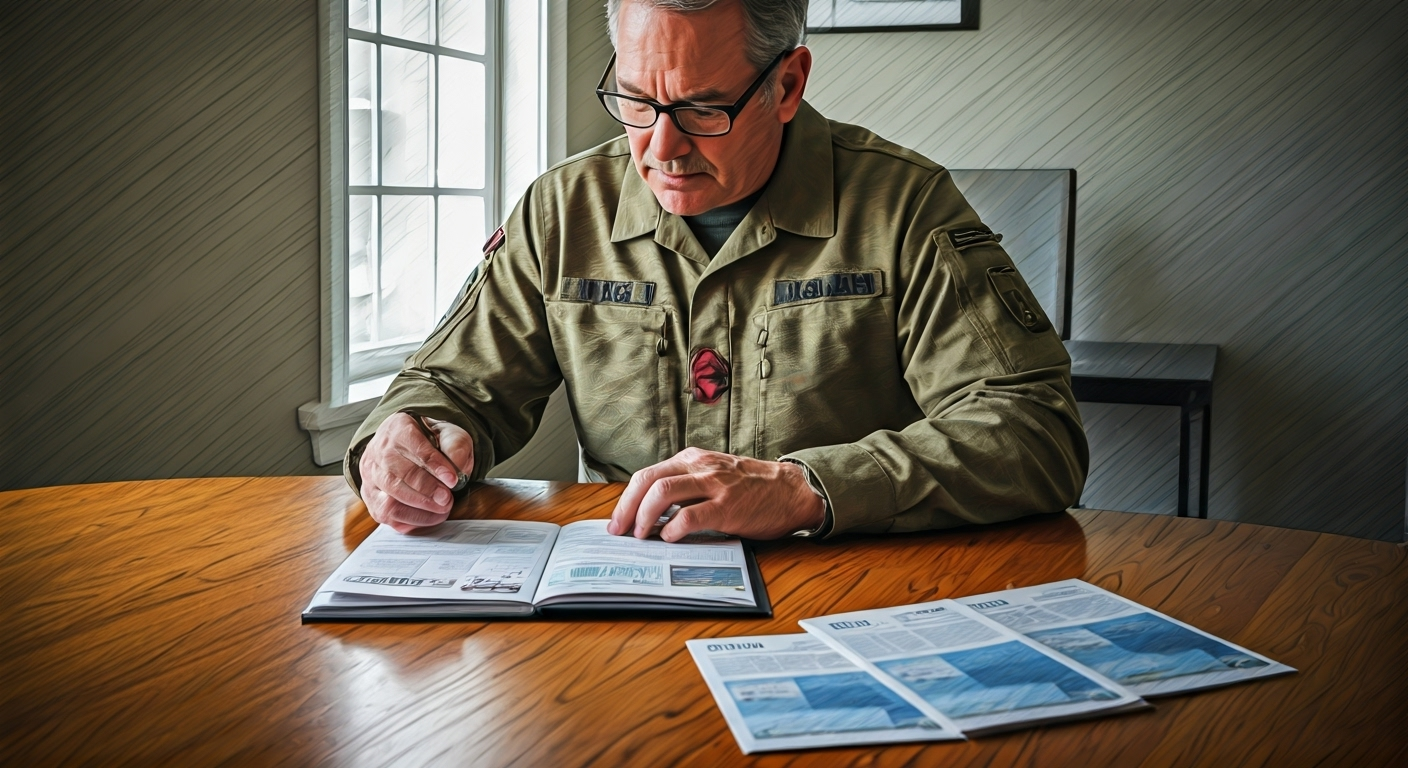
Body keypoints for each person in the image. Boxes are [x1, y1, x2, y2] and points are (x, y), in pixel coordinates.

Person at [345, 0, 1088, 543]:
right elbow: (447, 385)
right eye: (636, 101)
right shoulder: (562, 210)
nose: (661, 148)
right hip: (621, 598)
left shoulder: (904, 205)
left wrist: (806, 489)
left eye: (703, 109)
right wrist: (410, 440)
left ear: (788, 84)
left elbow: (1035, 434)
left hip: (851, 593)